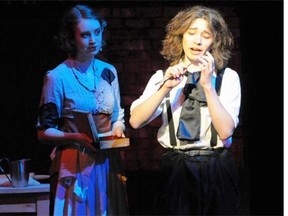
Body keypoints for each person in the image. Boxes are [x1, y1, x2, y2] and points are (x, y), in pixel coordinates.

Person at [129, 5, 241, 215]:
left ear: (214, 41)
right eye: (191, 33)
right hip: (177, 168)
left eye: (205, 35)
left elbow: (226, 131)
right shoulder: (164, 76)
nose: (197, 41)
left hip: (216, 166)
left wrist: (208, 86)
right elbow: (135, 121)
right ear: (181, 37)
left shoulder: (227, 77)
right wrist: (165, 87)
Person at [36, 4, 129, 216]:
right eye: (85, 35)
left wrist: (118, 127)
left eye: (97, 32)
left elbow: (117, 116)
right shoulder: (58, 77)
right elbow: (43, 132)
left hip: (106, 163)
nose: (93, 40)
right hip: (75, 163)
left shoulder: (108, 72)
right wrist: (77, 137)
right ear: (72, 38)